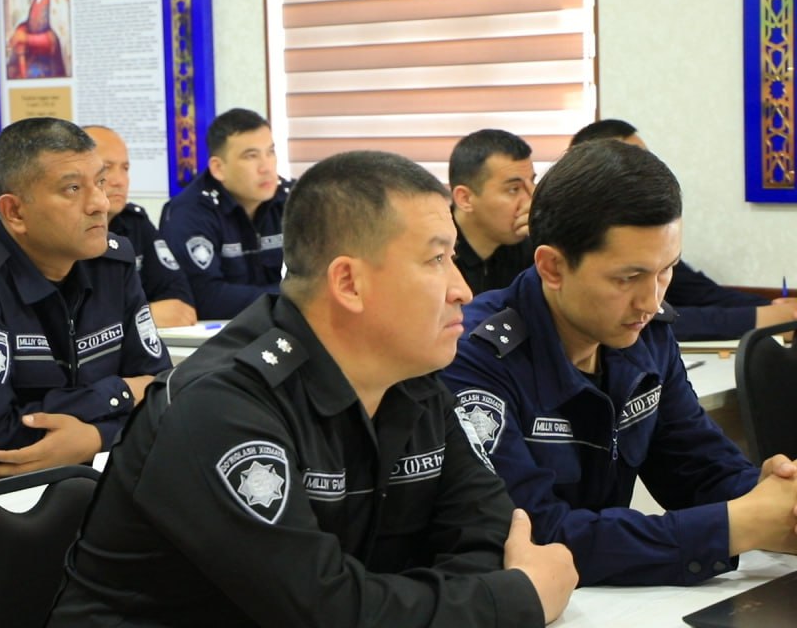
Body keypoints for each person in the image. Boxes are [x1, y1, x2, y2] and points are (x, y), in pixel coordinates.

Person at [50, 151, 577, 627]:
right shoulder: (222, 406)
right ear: (348, 283)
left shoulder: (412, 380)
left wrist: (421, 604)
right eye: (436, 259)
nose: (462, 289)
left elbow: (491, 537)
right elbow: (326, 612)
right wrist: (512, 600)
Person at [442, 139, 797, 587]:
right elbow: (535, 532)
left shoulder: (647, 333)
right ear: (552, 267)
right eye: (628, 278)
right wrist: (735, 525)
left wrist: (769, 495)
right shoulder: (475, 355)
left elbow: (696, 465)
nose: (650, 300)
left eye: (665, 270)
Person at [0, 117, 170, 483]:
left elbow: (164, 395)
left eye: (100, 182)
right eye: (72, 188)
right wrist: (122, 392)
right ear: (15, 212)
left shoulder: (111, 259)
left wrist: (94, 439)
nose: (100, 203)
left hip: (98, 478)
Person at [569, 119, 794, 340]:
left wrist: (776, 306)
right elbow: (646, 321)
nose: (647, 174)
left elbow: (700, 293)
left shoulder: (654, 236)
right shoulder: (572, 240)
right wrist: (757, 318)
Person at [159, 108, 291, 319]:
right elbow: (206, 298)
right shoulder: (189, 213)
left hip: (279, 324)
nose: (266, 167)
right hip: (218, 333)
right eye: (251, 156)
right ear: (218, 168)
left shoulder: (293, 200)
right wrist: (295, 299)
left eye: (270, 152)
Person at [86, 124, 196, 327]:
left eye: (125, 168)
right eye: (106, 168)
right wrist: (143, 315)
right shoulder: (65, 231)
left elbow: (179, 300)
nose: (120, 181)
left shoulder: (135, 222)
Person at [449, 129, 536, 295]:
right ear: (465, 199)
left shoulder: (532, 246)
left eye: (532, 183)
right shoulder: (434, 255)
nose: (530, 200)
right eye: (513, 189)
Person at [6, 0, 70, 79]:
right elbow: (28, 23)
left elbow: (54, 40)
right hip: (32, 57)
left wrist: (26, 39)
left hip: (50, 64)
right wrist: (20, 31)